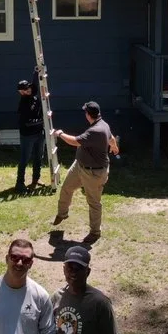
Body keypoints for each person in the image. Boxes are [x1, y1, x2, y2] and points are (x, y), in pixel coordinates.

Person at [51, 101, 120, 245]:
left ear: (88, 114)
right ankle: (62, 214)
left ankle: (95, 232)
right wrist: (114, 147)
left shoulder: (95, 130)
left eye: (85, 112)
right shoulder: (103, 125)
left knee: (94, 203)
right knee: (66, 188)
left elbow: (75, 141)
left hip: (94, 173)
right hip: (80, 166)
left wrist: (60, 133)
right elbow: (111, 138)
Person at [16, 72, 44, 193]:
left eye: (27, 89)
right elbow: (27, 122)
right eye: (24, 91)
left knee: (39, 157)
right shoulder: (23, 104)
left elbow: (35, 83)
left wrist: (36, 71)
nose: (27, 91)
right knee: (25, 159)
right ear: (21, 92)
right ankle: (19, 184)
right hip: (27, 135)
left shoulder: (32, 91)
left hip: (39, 133)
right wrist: (43, 121)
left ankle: (36, 179)